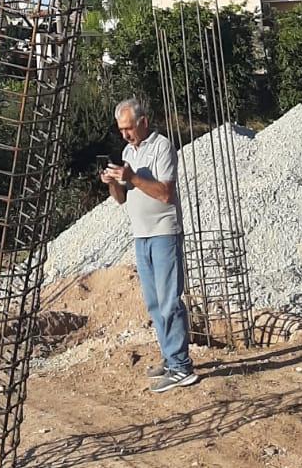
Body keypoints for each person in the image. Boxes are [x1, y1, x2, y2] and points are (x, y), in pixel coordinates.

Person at [100, 97, 198, 393]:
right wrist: (113, 182)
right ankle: (171, 357)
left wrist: (132, 177)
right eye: (121, 130)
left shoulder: (162, 147)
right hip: (140, 235)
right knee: (155, 304)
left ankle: (182, 367)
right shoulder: (128, 152)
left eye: (129, 128)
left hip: (164, 233)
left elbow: (166, 193)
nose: (125, 135)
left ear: (143, 122)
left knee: (169, 301)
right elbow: (121, 199)